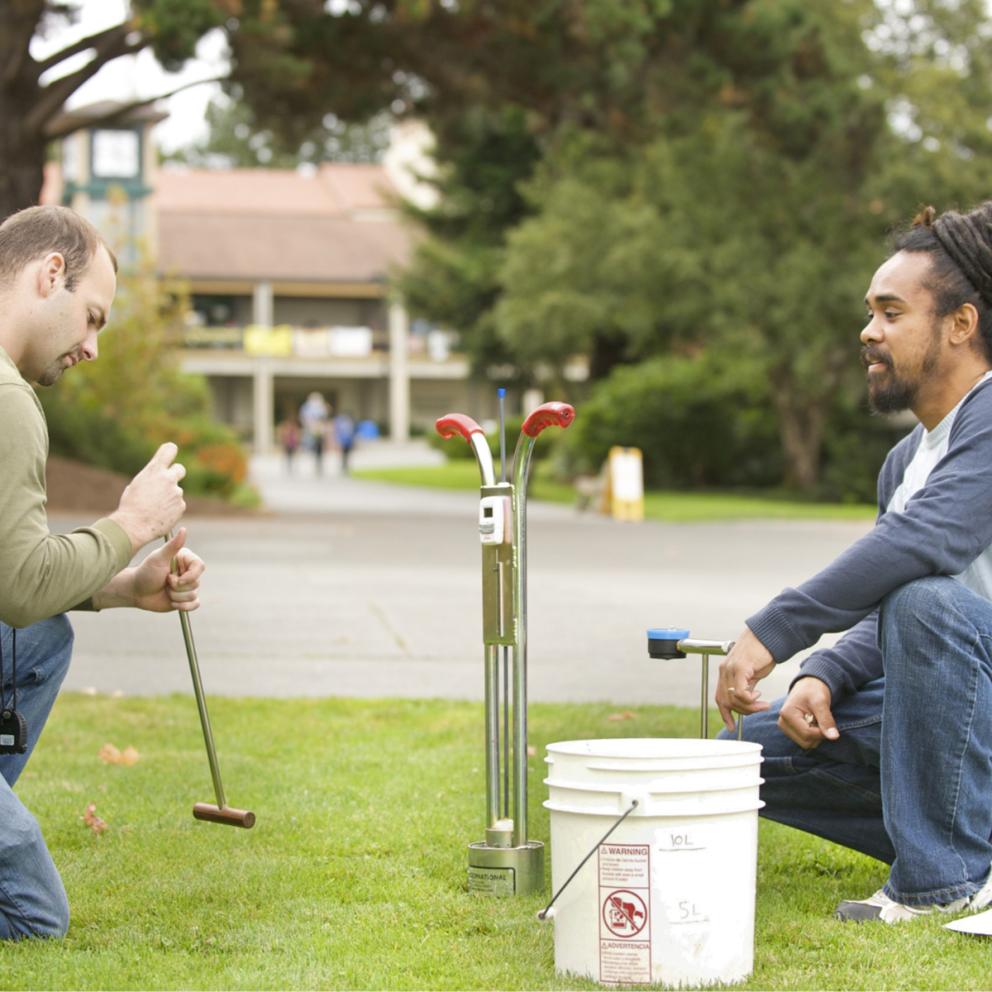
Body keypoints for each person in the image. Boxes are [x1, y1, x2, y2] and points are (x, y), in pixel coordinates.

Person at [717, 202, 992, 925]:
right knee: (743, 754)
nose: (868, 331)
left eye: (891, 312)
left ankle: (943, 881)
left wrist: (777, 631)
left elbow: (925, 550)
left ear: (960, 324)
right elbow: (892, 606)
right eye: (870, 312)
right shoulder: (907, 459)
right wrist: (824, 674)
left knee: (927, 604)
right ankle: (971, 847)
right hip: (961, 706)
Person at [0, 205, 204, 941]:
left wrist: (121, 586)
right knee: (32, 917)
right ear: (49, 273)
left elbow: (8, 585)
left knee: (40, 637)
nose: (91, 346)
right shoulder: (7, 401)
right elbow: (19, 588)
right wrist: (134, 522)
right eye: (92, 318)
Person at [298, 391, 330, 475]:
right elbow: (305, 418)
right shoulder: (306, 408)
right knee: (309, 446)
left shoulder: (321, 408)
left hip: (319, 431)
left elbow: (324, 418)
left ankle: (318, 465)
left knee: (319, 449)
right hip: (311, 430)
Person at [333, 410, 356, 474]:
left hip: (347, 441)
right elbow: (337, 432)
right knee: (343, 454)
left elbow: (351, 433)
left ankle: (345, 466)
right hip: (343, 441)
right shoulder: (340, 423)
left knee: (346, 454)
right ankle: (343, 466)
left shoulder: (348, 423)